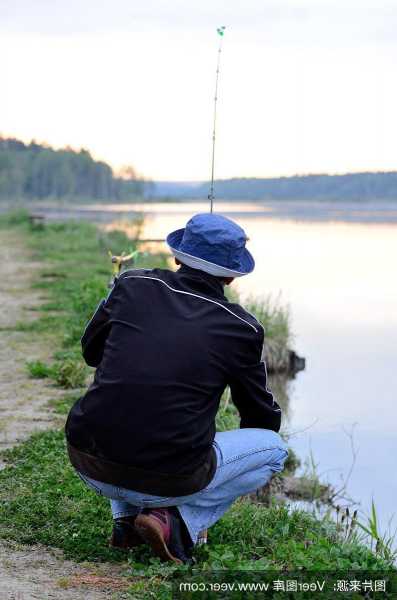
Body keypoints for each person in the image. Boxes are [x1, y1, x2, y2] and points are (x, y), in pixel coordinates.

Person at [65, 213, 287, 564]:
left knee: (126, 408)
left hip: (88, 460)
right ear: (231, 274)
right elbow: (260, 417)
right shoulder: (242, 327)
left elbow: (91, 352)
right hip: (169, 479)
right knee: (274, 450)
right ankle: (177, 521)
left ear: (178, 256)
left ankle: (125, 523)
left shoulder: (130, 284)